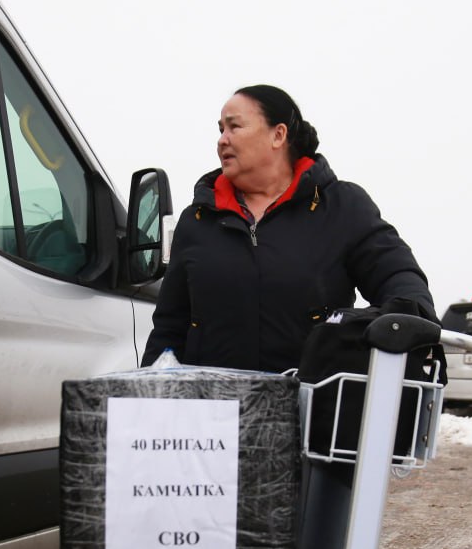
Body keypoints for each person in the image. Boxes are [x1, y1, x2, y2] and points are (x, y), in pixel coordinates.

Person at [141, 85, 434, 372]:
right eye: (220, 130)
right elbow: (170, 325)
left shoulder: (343, 207)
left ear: (278, 135)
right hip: (213, 411)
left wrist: (408, 319)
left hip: (310, 407)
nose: (222, 140)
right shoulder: (197, 220)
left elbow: (397, 274)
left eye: (234, 127)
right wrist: (146, 394)